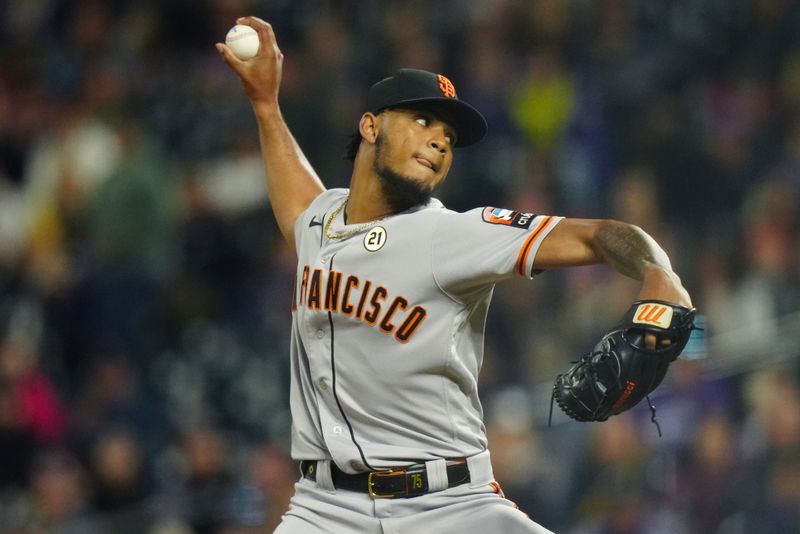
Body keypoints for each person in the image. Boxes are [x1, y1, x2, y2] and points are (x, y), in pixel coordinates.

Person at [216, 16, 692, 534]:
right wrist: (266, 106)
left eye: (448, 135)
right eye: (423, 120)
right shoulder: (321, 222)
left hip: (449, 507)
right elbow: (297, 201)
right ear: (370, 126)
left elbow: (601, 234)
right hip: (323, 510)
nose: (440, 141)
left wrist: (659, 273)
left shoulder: (454, 235)